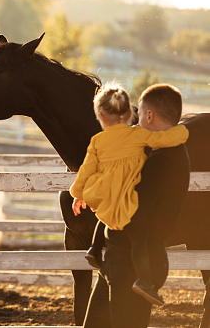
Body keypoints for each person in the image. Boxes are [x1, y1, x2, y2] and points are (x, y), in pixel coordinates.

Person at [82, 83, 191, 328]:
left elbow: (137, 215)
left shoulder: (164, 159)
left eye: (139, 114)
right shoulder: (161, 152)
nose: (136, 121)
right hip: (119, 259)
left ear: (150, 115)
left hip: (129, 266)